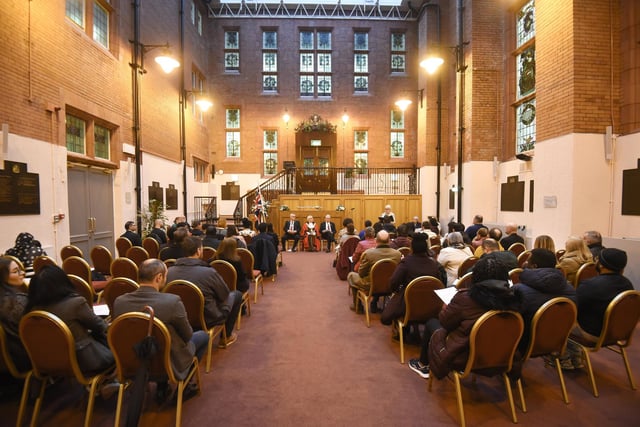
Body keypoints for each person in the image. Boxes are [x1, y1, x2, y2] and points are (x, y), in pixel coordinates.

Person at [408, 256, 523, 379]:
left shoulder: (466, 299)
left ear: (476, 276)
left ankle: (423, 365)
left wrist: (445, 307)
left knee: (432, 323)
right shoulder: (514, 299)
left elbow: (445, 322)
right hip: (503, 356)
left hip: (465, 357)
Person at [113, 259, 208, 400]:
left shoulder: (119, 302)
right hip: (168, 365)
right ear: (159, 277)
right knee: (202, 336)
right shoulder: (172, 302)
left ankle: (162, 388)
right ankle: (185, 386)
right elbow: (187, 335)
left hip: (133, 362)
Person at [25, 265, 114, 375]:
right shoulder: (75, 303)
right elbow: (100, 326)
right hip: (83, 361)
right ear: (63, 282)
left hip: (46, 360)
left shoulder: (32, 310)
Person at [166, 237, 243, 346]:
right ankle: (226, 337)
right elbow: (224, 294)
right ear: (198, 251)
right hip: (206, 318)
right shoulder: (208, 272)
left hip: (179, 318)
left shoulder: (169, 271)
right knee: (237, 295)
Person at [513, 248, 576, 354]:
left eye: (527, 261)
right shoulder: (571, 289)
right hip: (559, 341)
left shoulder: (520, 290)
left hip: (526, 344)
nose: (524, 263)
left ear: (534, 266)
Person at [383, 233, 444, 329]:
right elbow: (439, 284)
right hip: (430, 305)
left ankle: (403, 330)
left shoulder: (406, 263)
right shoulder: (434, 264)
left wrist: (395, 291)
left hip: (408, 304)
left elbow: (394, 282)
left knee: (387, 315)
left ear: (412, 248)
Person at [574, 248, 633, 338]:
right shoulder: (628, 284)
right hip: (618, 333)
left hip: (591, 333)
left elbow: (574, 306)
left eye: (598, 259)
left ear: (601, 265)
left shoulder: (590, 284)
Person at [347, 230, 401, 312]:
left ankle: (358, 306)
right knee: (382, 277)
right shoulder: (397, 254)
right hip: (389, 285)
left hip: (370, 286)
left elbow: (361, 273)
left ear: (376, 240)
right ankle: (374, 303)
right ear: (389, 241)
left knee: (351, 275)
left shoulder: (369, 253)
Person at [0, 257, 30, 371]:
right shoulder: (19, 302)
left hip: (5, 358)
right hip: (23, 358)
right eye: (16, 271)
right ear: (3, 277)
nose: (22, 273)